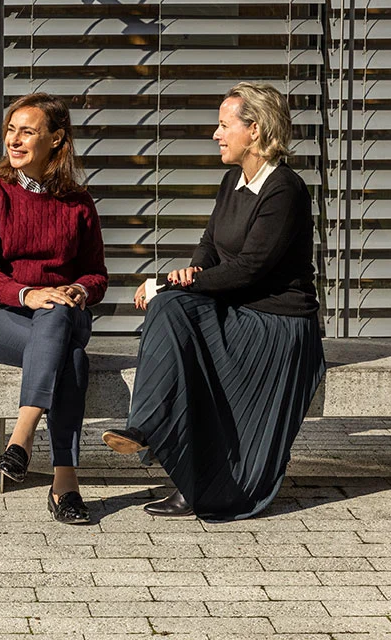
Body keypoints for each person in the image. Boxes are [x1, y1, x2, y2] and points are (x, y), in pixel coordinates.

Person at [102, 82, 326, 521]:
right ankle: (150, 433)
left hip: (276, 324)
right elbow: (209, 249)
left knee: (171, 305)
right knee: (170, 310)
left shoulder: (285, 190)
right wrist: (183, 276)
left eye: (224, 125)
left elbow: (249, 269)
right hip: (236, 310)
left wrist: (169, 285)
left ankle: (166, 448)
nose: (216, 134)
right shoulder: (233, 181)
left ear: (255, 130)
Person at [0, 93, 108, 524]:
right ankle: (65, 484)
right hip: (2, 317)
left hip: (63, 315)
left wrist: (80, 290)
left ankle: (21, 440)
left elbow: (97, 275)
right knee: (72, 358)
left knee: (60, 312)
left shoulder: (78, 202)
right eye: (11, 129)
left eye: (28, 131)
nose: (15, 139)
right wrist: (28, 293)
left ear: (57, 140)